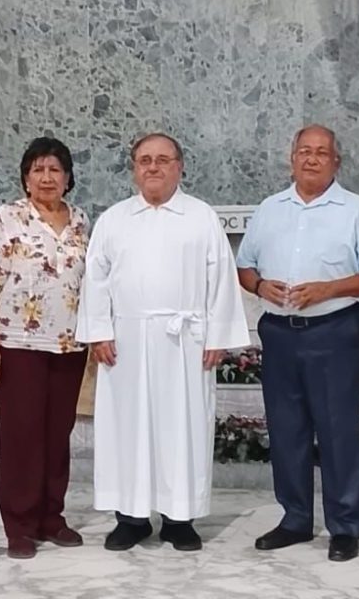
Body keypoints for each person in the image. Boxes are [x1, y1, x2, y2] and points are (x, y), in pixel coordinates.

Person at [76, 133, 250, 552]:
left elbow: (221, 278)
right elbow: (95, 278)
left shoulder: (200, 216)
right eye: (144, 160)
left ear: (180, 166)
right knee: (126, 428)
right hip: (126, 343)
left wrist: (218, 335)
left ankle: (179, 518)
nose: (153, 167)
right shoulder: (114, 219)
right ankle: (130, 517)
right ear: (134, 168)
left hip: (185, 342)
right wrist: (98, 330)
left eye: (162, 160)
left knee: (183, 426)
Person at [237, 125, 359, 561]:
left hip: (335, 333)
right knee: (287, 430)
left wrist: (328, 290)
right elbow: (244, 266)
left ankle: (344, 525)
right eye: (303, 151)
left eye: (321, 152)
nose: (311, 158)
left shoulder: (355, 210)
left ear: (336, 162)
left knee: (338, 429)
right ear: (291, 159)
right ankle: (295, 518)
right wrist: (260, 284)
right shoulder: (270, 209)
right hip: (280, 335)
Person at [0, 137, 90, 559]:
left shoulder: (80, 221)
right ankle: (19, 525)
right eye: (38, 169)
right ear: (25, 176)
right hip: (17, 344)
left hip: (69, 347)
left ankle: (50, 518)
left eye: (55, 170)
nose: (46, 177)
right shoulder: (8, 217)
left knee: (57, 435)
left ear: (68, 177)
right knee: (22, 436)